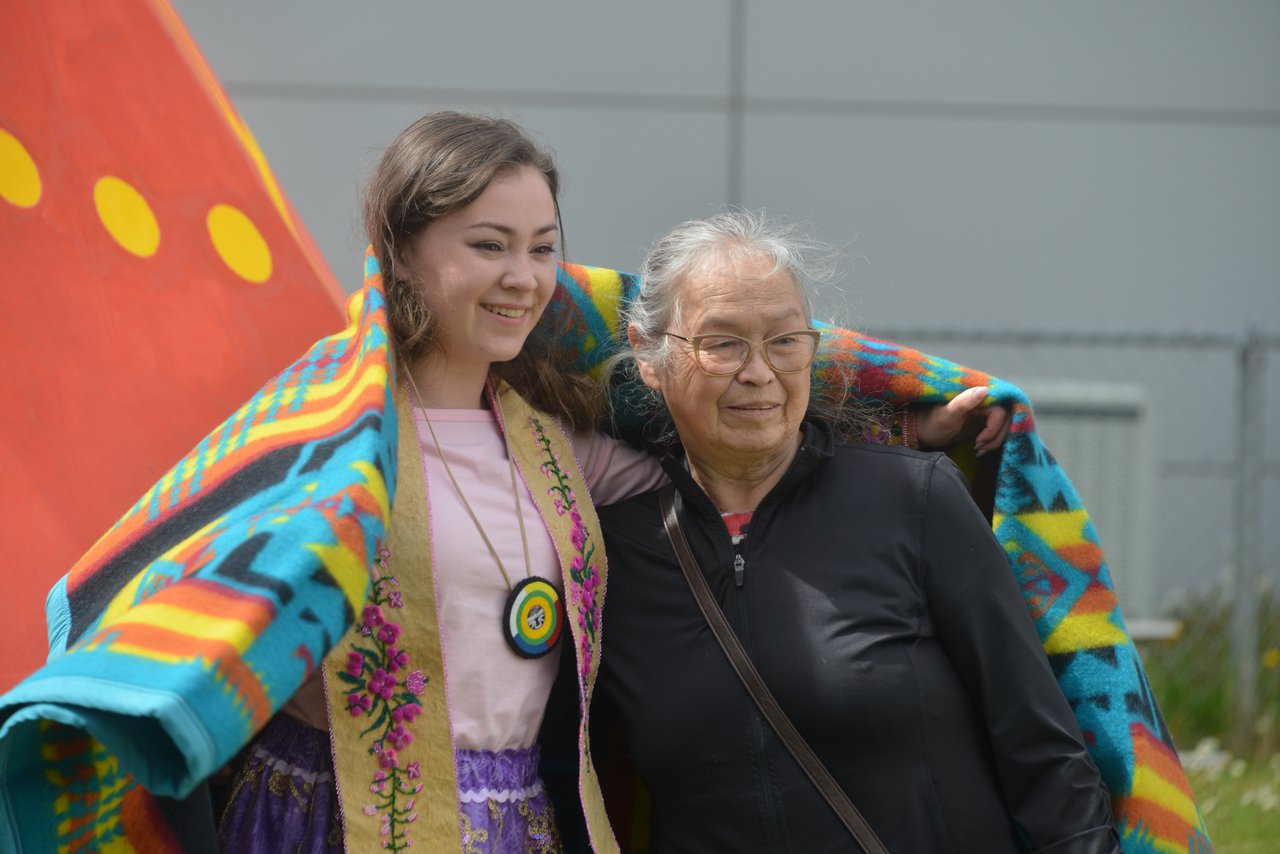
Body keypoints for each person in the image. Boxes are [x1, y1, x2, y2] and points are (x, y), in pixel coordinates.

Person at [0, 113, 1004, 854]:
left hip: (525, 827)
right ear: (401, 250)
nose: (522, 276)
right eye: (486, 245)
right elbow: (170, 616)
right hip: (329, 822)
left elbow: (726, 420)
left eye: (540, 247)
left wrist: (898, 420)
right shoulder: (317, 437)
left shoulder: (568, 443)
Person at [592, 210, 1122, 853]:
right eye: (723, 342)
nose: (759, 372)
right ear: (649, 355)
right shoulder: (609, 549)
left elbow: (1040, 745)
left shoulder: (914, 500)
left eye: (785, 341)